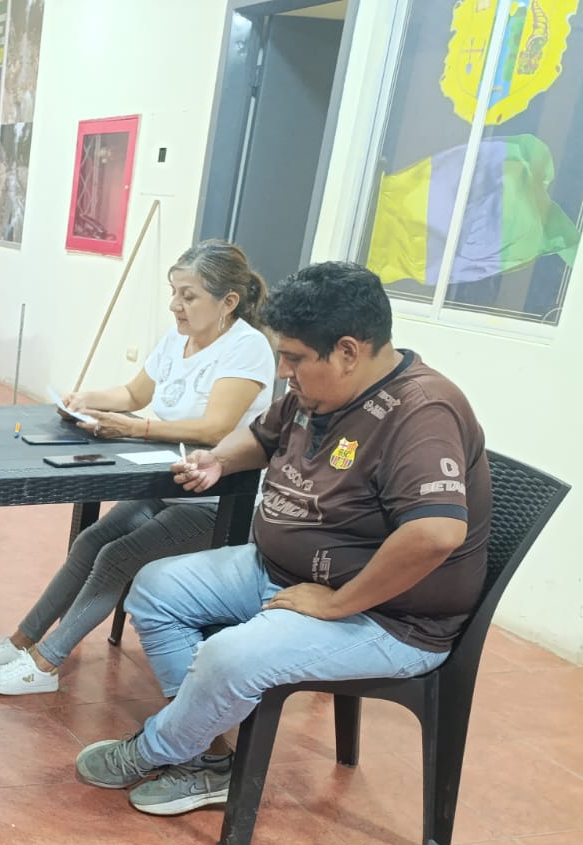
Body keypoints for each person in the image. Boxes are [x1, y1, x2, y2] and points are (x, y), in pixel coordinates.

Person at [76, 261, 489, 816]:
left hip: (386, 617)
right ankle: (205, 758)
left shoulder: (422, 411)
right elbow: (262, 436)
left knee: (229, 656)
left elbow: (436, 533)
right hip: (280, 573)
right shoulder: (316, 391)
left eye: (293, 358)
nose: (282, 371)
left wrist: (339, 603)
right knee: (154, 588)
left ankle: (156, 749)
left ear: (348, 351)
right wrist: (219, 460)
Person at [0, 240, 275, 695]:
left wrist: (135, 427)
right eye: (174, 292)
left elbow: (215, 427)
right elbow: (133, 394)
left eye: (188, 296)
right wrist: (86, 399)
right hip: (168, 485)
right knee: (90, 541)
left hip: (218, 501)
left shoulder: (247, 348)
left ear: (228, 301)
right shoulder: (178, 338)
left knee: (117, 556)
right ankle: (20, 642)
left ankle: (45, 664)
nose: (175, 305)